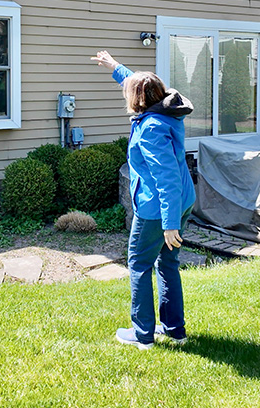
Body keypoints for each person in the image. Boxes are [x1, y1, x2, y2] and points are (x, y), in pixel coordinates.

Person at [91, 50, 196, 350]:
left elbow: (166, 179)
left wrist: (169, 223)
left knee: (138, 264)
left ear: (138, 99)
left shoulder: (150, 128)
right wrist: (115, 67)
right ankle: (175, 330)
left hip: (157, 208)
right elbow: (140, 83)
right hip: (181, 200)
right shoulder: (166, 109)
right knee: (168, 262)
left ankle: (142, 335)